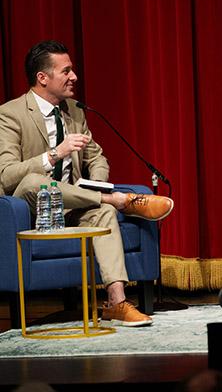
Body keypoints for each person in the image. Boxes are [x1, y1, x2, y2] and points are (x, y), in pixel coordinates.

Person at [0, 40, 174, 327]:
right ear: (42, 78)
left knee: (103, 214)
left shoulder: (74, 112)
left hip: (74, 205)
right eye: (66, 71)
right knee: (35, 182)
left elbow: (97, 157)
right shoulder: (11, 114)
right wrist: (56, 153)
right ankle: (118, 201)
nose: (74, 77)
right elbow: (6, 175)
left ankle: (117, 301)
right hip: (31, 210)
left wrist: (96, 185)